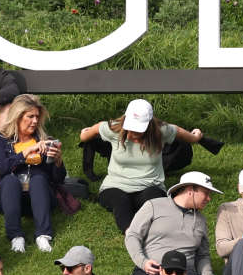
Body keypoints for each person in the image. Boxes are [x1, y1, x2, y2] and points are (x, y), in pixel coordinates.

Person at [80, 98, 202, 229]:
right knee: (121, 202)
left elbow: (188, 136)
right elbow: (86, 136)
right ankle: (130, 233)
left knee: (152, 202)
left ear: (149, 125)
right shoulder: (113, 129)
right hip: (115, 185)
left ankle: (149, 232)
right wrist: (84, 133)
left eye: (139, 130)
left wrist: (196, 136)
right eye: (131, 128)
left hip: (150, 185)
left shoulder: (161, 131)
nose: (134, 134)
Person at [0, 92, 63, 252]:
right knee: (10, 180)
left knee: (39, 178)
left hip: (36, 198)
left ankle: (43, 235)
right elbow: (1, 168)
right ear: (18, 116)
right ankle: (16, 236)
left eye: (37, 116)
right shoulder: (0, 138)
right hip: (6, 196)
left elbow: (58, 180)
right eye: (30, 116)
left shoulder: (44, 140)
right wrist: (25, 153)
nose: (35, 121)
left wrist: (58, 161)